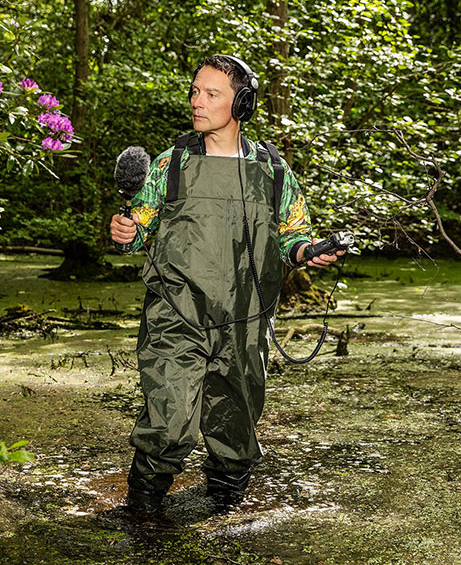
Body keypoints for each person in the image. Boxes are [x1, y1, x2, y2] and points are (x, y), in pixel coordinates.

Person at [109, 54, 345, 513]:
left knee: (235, 430)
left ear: (242, 103)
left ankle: (226, 513)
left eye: (211, 94)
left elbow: (292, 239)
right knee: (169, 421)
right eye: (195, 91)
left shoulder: (274, 171)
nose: (197, 102)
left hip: (244, 321)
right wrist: (124, 232)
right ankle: (139, 521)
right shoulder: (169, 163)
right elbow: (136, 230)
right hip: (176, 316)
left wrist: (310, 252)